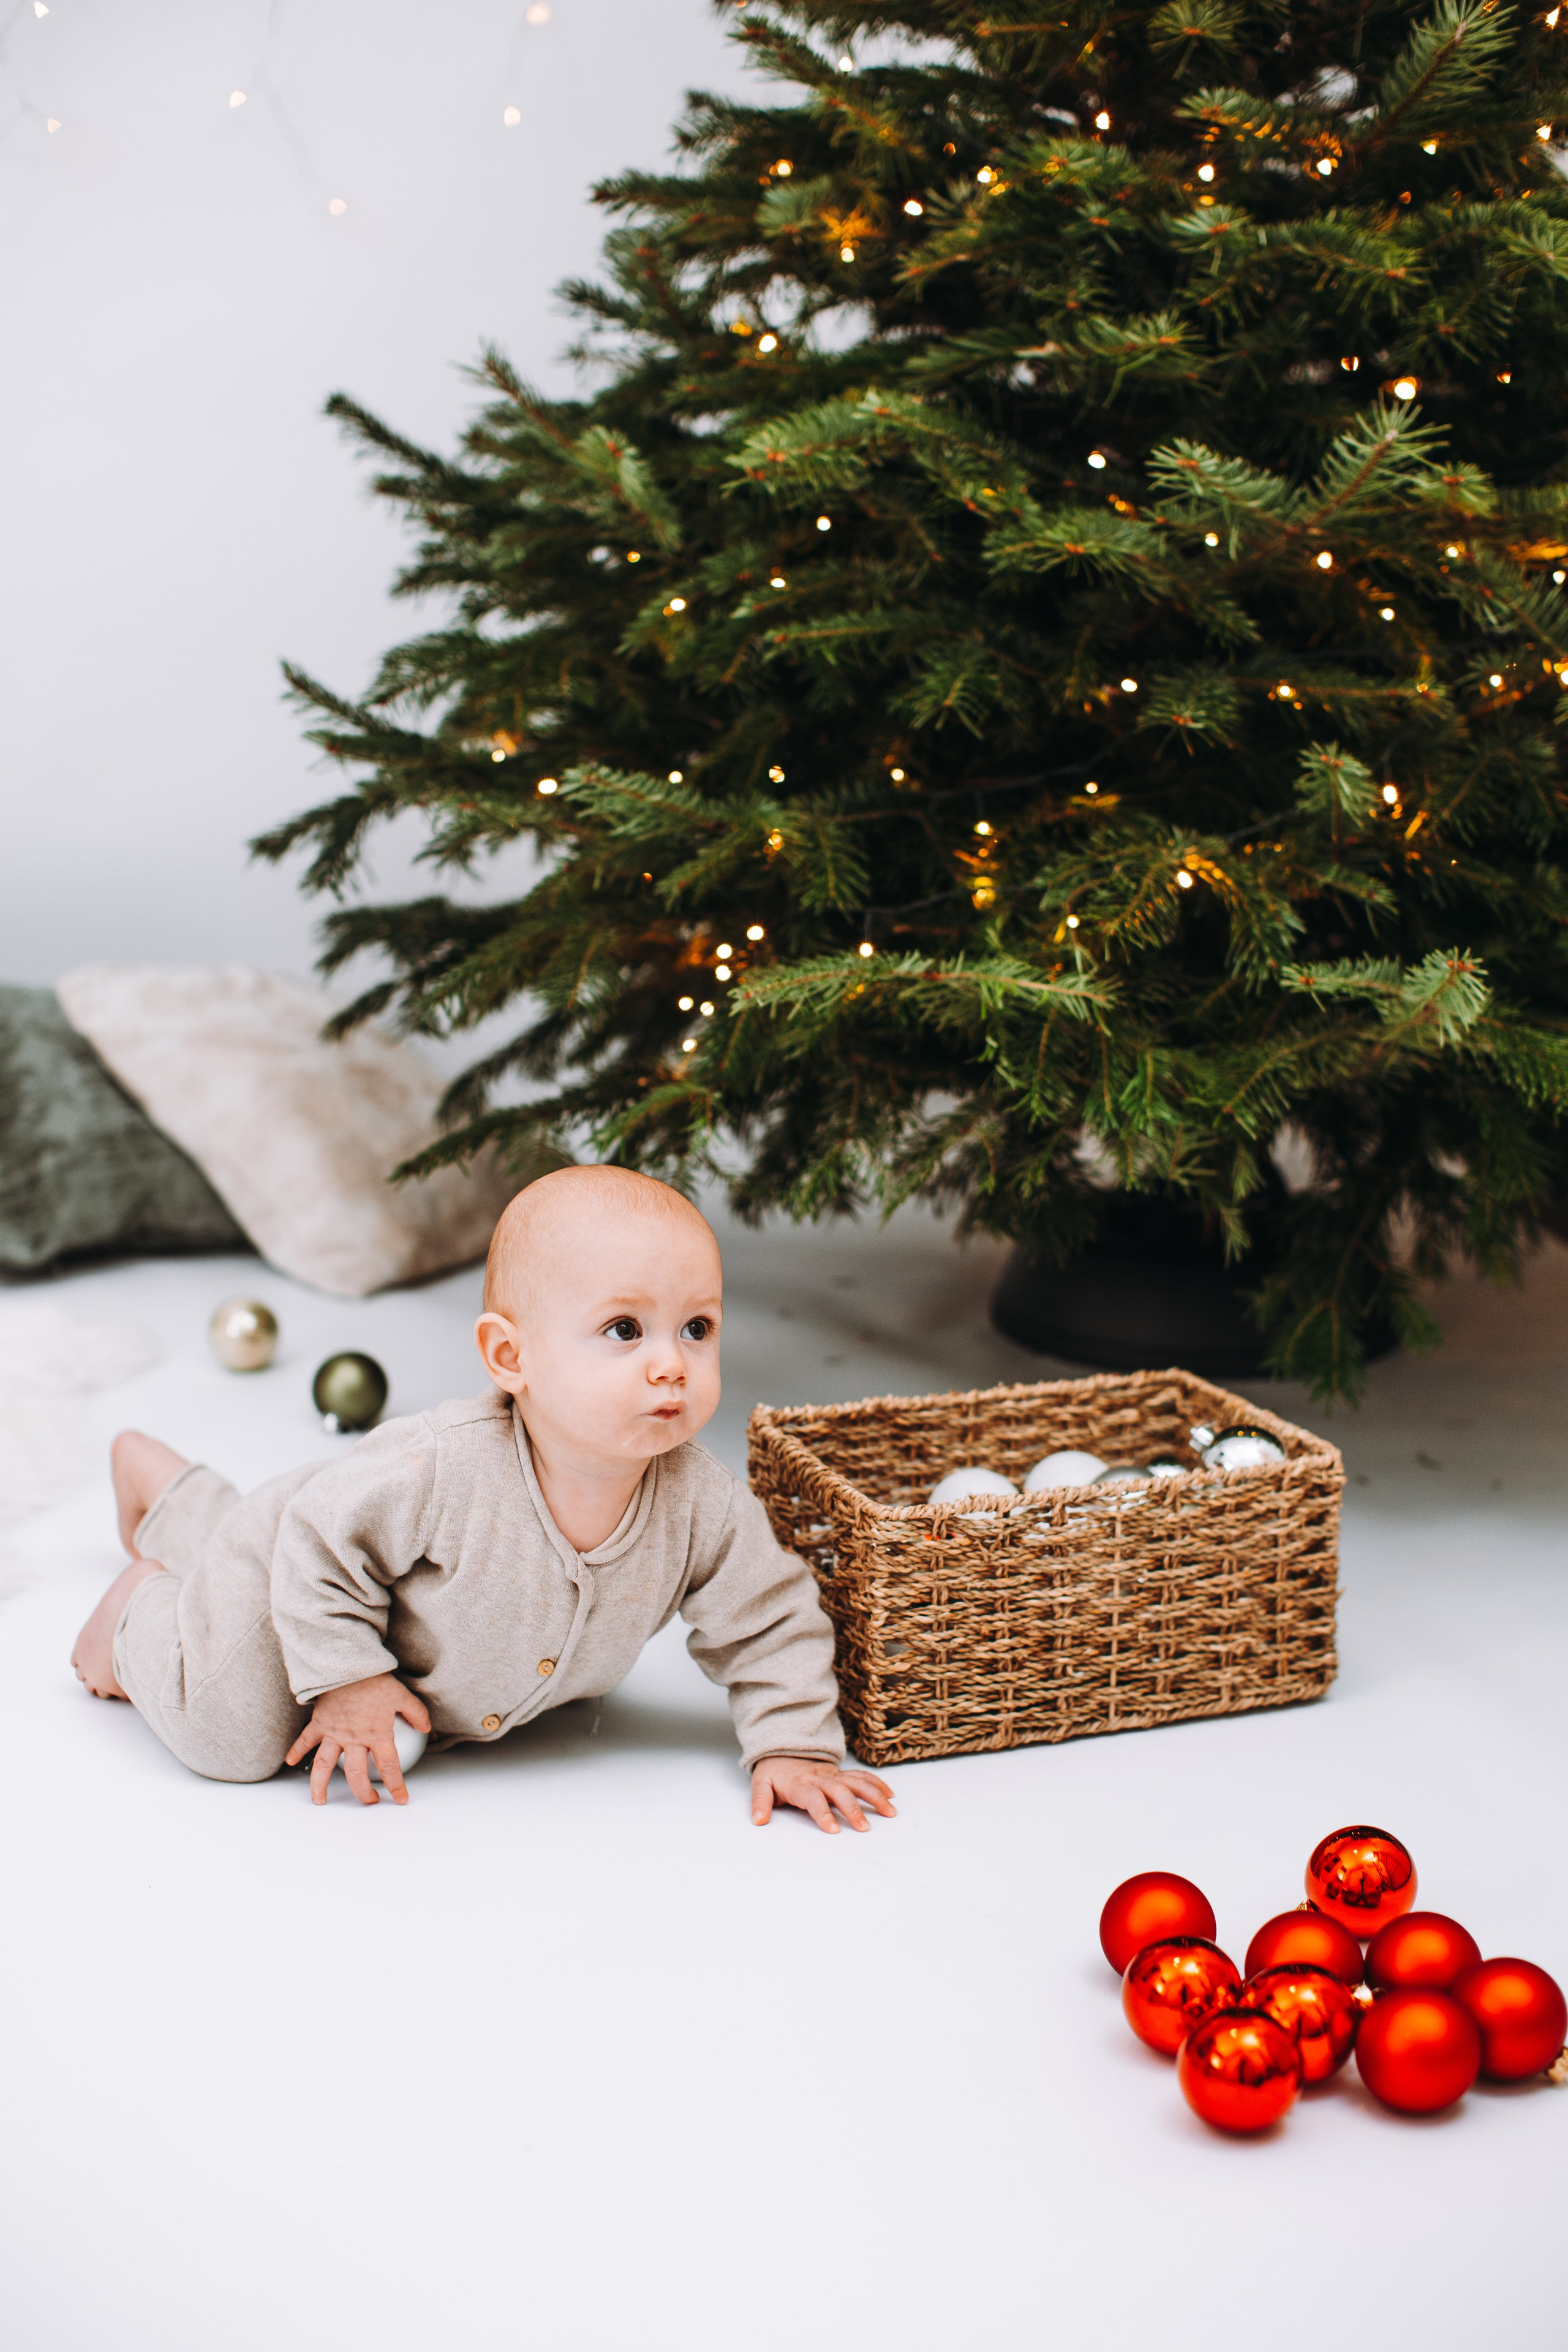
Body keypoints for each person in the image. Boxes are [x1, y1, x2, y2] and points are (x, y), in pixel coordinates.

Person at [71, 1166, 895, 1835]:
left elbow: (771, 1618)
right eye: (624, 1330)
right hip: (304, 1571)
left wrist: (794, 1747)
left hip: (336, 1550)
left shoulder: (700, 1505)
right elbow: (320, 1541)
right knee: (232, 1733)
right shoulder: (445, 1468)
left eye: (697, 1328)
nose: (671, 1365)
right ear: (511, 1355)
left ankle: (172, 1492)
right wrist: (350, 1680)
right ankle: (136, 1612)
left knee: (240, 1563)